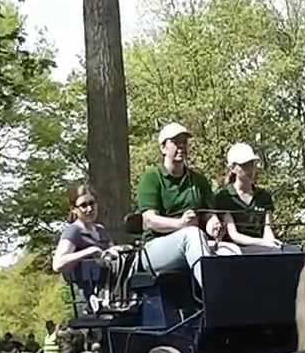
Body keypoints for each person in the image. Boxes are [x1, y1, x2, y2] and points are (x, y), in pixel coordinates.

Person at [134, 122, 215, 286]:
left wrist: (214, 226)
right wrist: (181, 224)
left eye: (184, 142)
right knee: (192, 235)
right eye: (176, 142)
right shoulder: (151, 177)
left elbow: (208, 215)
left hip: (194, 242)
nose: (182, 146)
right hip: (154, 248)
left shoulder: (198, 181)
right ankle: (214, 297)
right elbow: (150, 220)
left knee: (231, 252)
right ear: (163, 148)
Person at [52, 183, 129, 314]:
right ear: (74, 209)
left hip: (111, 289)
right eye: (83, 205)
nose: (89, 209)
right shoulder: (73, 231)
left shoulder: (100, 230)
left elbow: (111, 255)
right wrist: (90, 250)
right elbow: (57, 264)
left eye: (92, 203)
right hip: (88, 297)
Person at [212, 142, 289, 253]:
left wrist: (271, 242)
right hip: (237, 249)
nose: (250, 169)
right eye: (244, 165)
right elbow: (234, 235)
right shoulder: (224, 197)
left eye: (252, 164)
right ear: (233, 168)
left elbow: (267, 229)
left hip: (264, 245)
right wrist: (262, 242)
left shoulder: (264, 196)